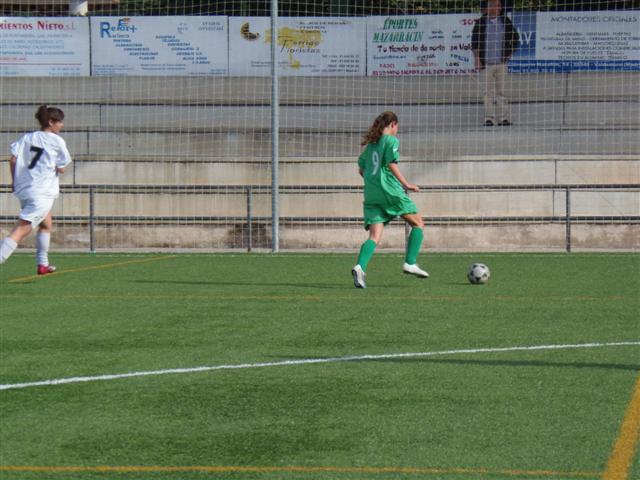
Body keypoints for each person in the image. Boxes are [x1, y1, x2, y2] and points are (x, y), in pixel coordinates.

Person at [351, 111, 429, 289]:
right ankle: (410, 262)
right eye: (397, 126)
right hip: (390, 192)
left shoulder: (371, 146)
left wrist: (374, 181)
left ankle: (360, 267)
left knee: (374, 237)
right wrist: (406, 184)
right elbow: (391, 163)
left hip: (372, 194)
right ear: (393, 124)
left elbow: (361, 169)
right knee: (418, 223)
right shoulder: (391, 141)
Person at [0, 105, 72, 275]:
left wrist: (15, 181)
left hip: (25, 189)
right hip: (42, 193)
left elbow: (13, 160)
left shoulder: (27, 137)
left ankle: (43, 264)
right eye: (59, 122)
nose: (61, 125)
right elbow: (62, 168)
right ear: (51, 122)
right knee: (21, 230)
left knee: (46, 224)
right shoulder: (57, 141)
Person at [471, 0, 520, 127]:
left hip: (501, 63)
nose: (498, 8)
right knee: (488, 93)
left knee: (501, 92)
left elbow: (515, 38)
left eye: (499, 5)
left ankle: (504, 118)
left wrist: (509, 53)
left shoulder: (505, 21)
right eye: (495, 5)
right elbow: (474, 42)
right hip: (486, 64)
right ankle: (489, 119)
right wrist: (477, 59)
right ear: (488, 7)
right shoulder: (481, 23)